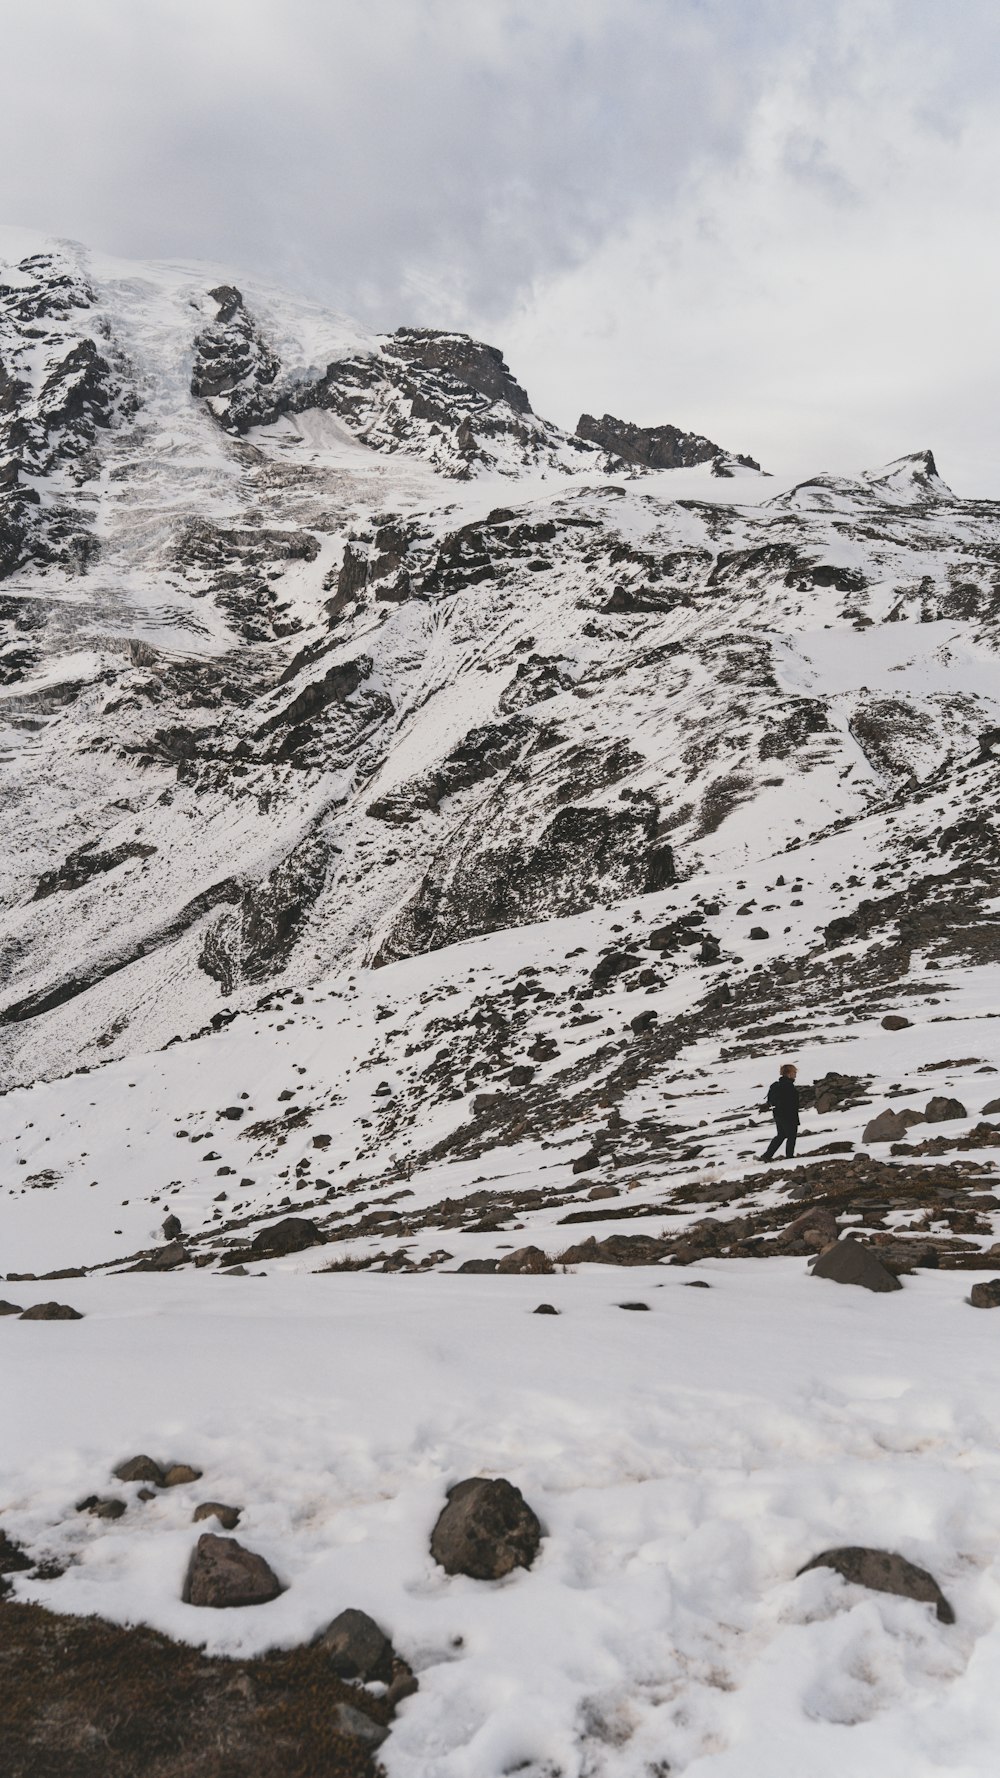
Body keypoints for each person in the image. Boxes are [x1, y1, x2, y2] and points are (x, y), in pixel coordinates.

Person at [763, 1062, 799, 1159]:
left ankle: (767, 1155)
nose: (795, 1074)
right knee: (791, 1136)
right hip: (788, 1114)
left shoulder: (776, 1085)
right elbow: (791, 1102)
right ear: (789, 1073)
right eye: (794, 1072)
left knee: (781, 1135)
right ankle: (789, 1156)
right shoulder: (788, 1086)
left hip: (778, 1113)